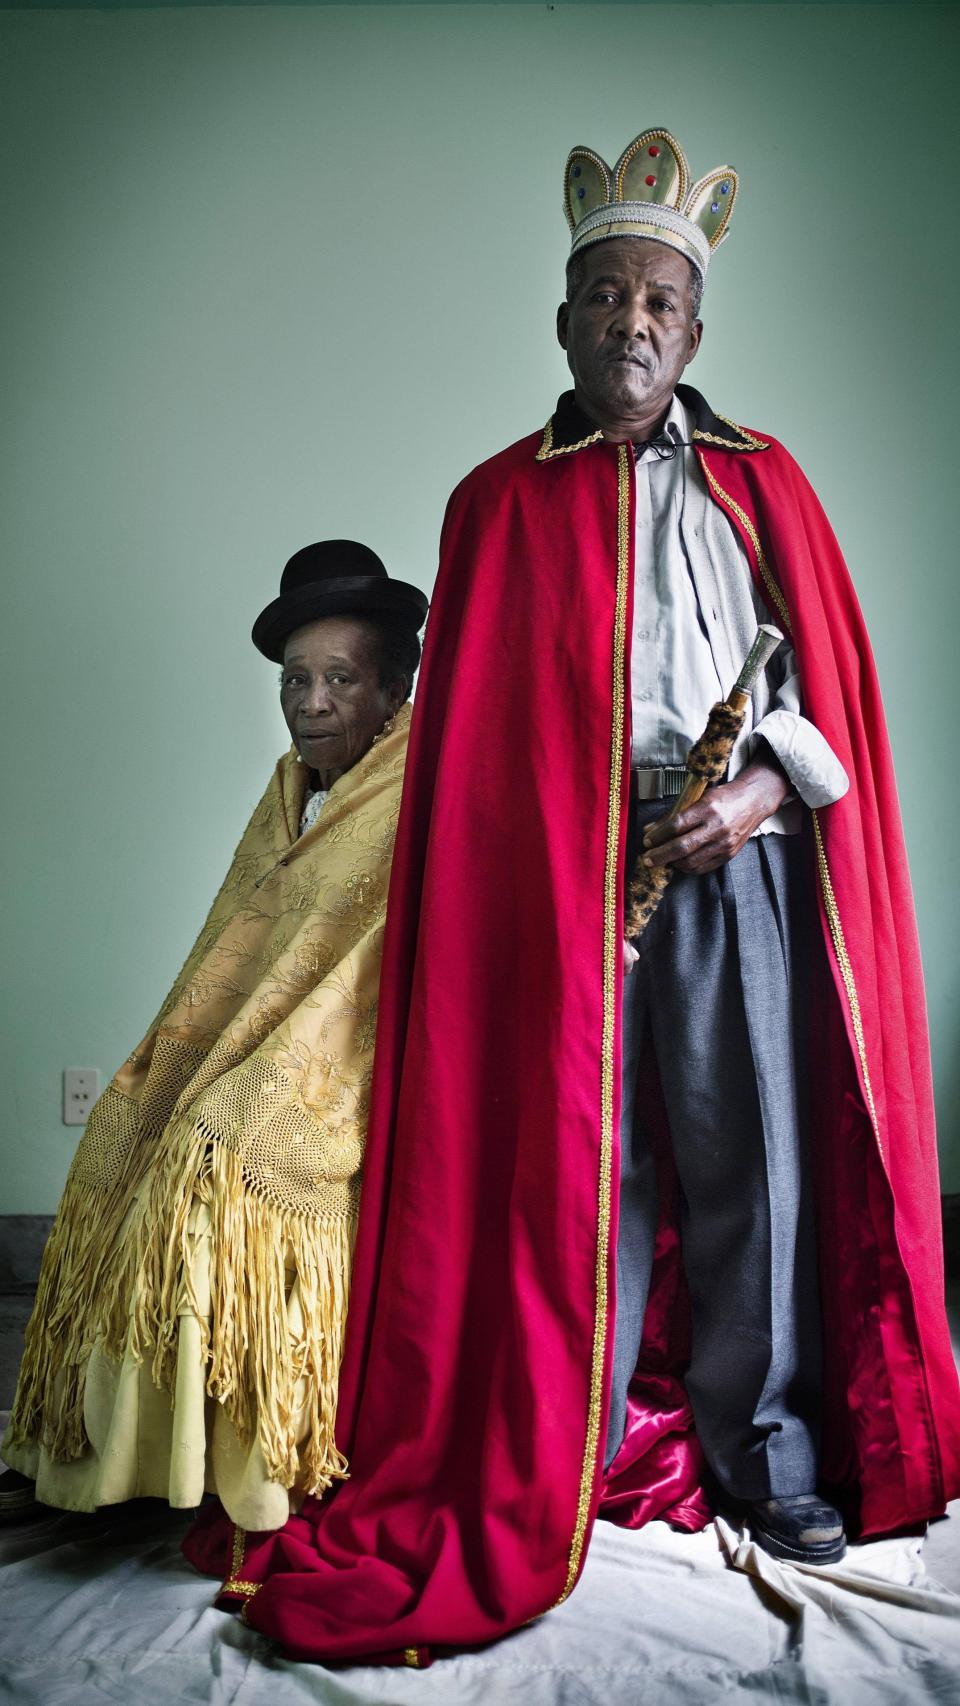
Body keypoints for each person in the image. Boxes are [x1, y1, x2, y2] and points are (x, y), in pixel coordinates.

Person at [181, 129, 960, 1667]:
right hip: (562, 878)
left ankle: (769, 1449)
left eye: (660, 300)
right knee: (569, 1171)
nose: (633, 323)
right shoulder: (496, 507)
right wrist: (564, 839)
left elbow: (825, 702)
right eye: (605, 296)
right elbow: (481, 749)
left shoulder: (765, 485)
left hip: (733, 859)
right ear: (564, 321)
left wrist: (751, 795)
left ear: (695, 325)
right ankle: (559, 1446)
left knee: (752, 1159)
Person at [1, 540, 427, 1531]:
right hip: (255, 1042)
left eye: (340, 679)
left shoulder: (417, 783)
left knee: (218, 1154)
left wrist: (268, 1071)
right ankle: (88, 1454)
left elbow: (371, 960)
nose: (312, 702)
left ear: (393, 688)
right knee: (128, 1127)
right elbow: (235, 955)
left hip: (354, 1063)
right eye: (296, 680)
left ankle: (243, 1469)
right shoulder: (289, 788)